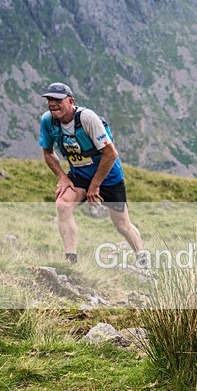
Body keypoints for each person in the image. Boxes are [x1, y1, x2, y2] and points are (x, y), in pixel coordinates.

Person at [38, 83, 144, 265]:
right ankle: (70, 260)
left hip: (108, 175)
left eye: (58, 100)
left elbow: (111, 154)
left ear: (71, 101)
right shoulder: (48, 120)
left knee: (122, 225)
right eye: (49, 100)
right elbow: (47, 152)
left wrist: (95, 186)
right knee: (63, 205)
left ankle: (143, 259)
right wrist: (62, 178)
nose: (53, 104)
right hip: (80, 173)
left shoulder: (87, 118)